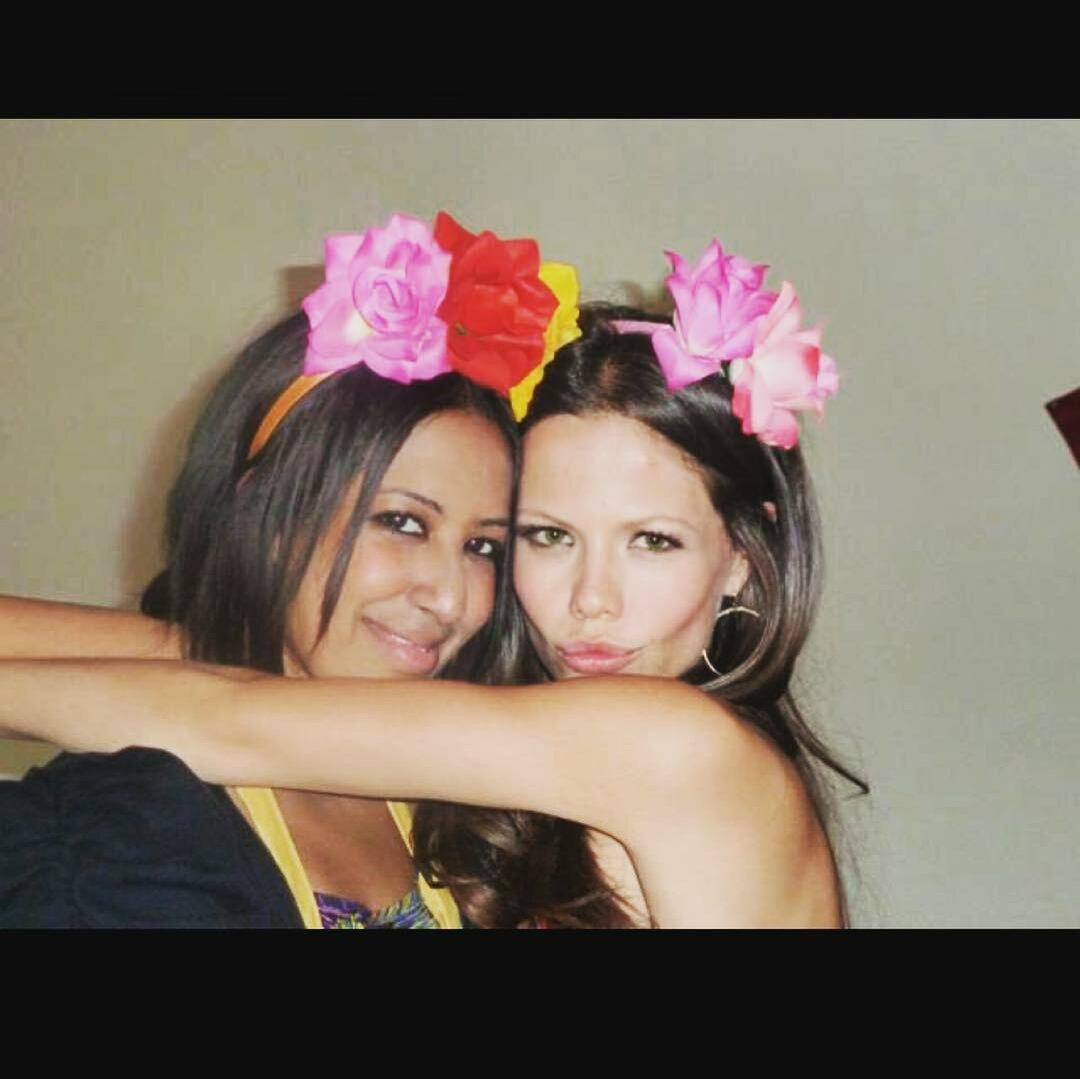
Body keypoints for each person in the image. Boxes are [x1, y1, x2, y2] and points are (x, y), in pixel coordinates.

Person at [2, 233, 866, 928]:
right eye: (547, 536)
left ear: (743, 556)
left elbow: (230, 714)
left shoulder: (678, 745)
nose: (591, 598)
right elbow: (199, 661)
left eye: (652, 541)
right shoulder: (531, 736)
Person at [0, 209, 583, 928]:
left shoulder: (479, 798)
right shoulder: (114, 841)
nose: (450, 598)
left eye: (482, 547)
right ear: (268, 515)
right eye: (403, 522)